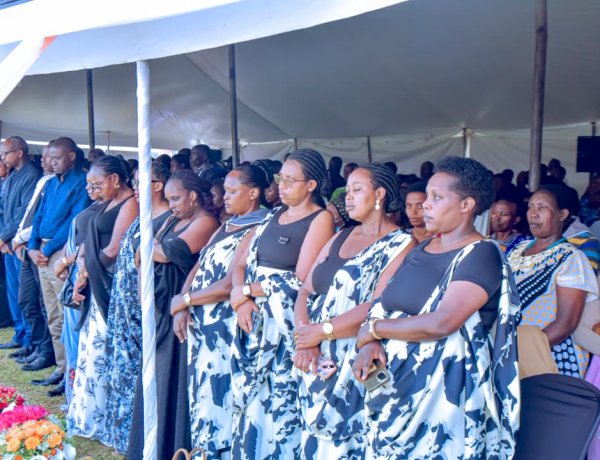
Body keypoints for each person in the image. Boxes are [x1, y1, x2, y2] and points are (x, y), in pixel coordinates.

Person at [353, 156, 520, 458]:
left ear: (467, 205)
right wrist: (371, 343)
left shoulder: (481, 254)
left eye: (436, 198)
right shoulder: (422, 249)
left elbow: (442, 322)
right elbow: (383, 302)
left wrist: (374, 330)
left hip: (440, 402)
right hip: (395, 390)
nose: (425, 205)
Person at [293, 164, 414, 458]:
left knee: (347, 444)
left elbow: (380, 303)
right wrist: (305, 338)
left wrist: (322, 332)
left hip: (352, 355)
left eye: (357, 190)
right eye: (347, 191)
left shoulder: (402, 243)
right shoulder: (340, 236)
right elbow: (305, 290)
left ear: (380, 194)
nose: (347, 197)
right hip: (313, 355)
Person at [229, 149, 334, 459]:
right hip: (252, 318)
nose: (282, 186)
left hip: (283, 326)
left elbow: (301, 278)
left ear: (311, 185)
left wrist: (246, 291)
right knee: (252, 407)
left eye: (290, 180)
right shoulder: (271, 215)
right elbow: (239, 264)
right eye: (280, 179)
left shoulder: (321, 219)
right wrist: (240, 299)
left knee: (280, 405)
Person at [169, 165, 270, 459]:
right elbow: (198, 266)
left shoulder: (260, 226)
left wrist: (185, 300)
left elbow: (228, 285)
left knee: (220, 395)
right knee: (201, 394)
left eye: (232, 191)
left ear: (253, 193)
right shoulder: (227, 224)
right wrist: (182, 303)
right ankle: (200, 452)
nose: (224, 197)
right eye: (224, 191)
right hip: (201, 322)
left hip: (225, 326)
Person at [128, 169, 220, 460]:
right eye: (168, 200)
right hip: (160, 309)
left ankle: (173, 446)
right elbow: (142, 248)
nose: (172, 205)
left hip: (181, 311)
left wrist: (148, 249)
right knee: (155, 376)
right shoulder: (172, 219)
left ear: (193, 196)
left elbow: (168, 252)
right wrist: (148, 249)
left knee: (174, 379)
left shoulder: (207, 222)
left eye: (176, 199)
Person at [101, 162, 172, 454]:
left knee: (139, 372)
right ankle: (122, 435)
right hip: (124, 307)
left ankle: (140, 436)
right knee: (121, 370)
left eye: (140, 182)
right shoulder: (142, 215)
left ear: (158, 185)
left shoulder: (168, 219)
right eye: (133, 182)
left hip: (144, 308)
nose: (134, 188)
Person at [67, 155, 138, 439]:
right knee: (91, 348)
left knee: (103, 349)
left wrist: (84, 274)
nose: (92, 189)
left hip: (110, 284)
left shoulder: (130, 203)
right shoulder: (109, 201)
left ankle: (103, 416)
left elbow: (115, 248)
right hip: (96, 278)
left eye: (97, 184)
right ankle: (89, 413)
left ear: (115, 179)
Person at [509, 185, 599, 378]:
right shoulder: (517, 250)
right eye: (531, 207)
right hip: (508, 351)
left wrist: (517, 350)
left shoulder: (571, 259)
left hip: (547, 357)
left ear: (562, 214)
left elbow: (565, 324)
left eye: (542, 208)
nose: (533, 214)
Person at [28, 137, 91, 389]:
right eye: (50, 158)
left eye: (57, 158)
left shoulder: (81, 182)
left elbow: (74, 222)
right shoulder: (51, 183)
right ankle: (60, 367)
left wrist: (46, 249)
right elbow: (38, 216)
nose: (51, 162)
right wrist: (32, 247)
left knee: (66, 315)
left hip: (61, 252)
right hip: (42, 251)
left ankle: (71, 373)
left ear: (71, 157)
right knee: (52, 313)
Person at [51, 177, 105, 399]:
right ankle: (70, 385)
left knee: (77, 336)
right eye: (89, 184)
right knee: (69, 334)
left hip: (84, 278)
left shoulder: (106, 212)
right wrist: (64, 260)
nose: (89, 188)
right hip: (75, 273)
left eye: (95, 184)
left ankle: (75, 393)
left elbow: (87, 246)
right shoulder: (96, 207)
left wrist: (65, 261)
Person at [12, 144, 56, 372]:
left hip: (40, 248)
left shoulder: (55, 183)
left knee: (43, 304)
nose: (44, 160)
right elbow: (32, 216)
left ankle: (47, 351)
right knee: (26, 301)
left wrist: (20, 238)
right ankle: (38, 346)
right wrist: (21, 239)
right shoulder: (44, 180)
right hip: (29, 246)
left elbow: (49, 220)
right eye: (45, 156)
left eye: (49, 156)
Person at [0, 136, 42, 352]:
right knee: (13, 291)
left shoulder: (32, 174)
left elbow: (23, 213)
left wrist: (6, 238)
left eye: (5, 153)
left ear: (19, 152)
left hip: (19, 243)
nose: (2, 157)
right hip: (9, 242)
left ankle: (29, 340)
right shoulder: (13, 175)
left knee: (24, 294)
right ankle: (20, 334)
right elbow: (5, 209)